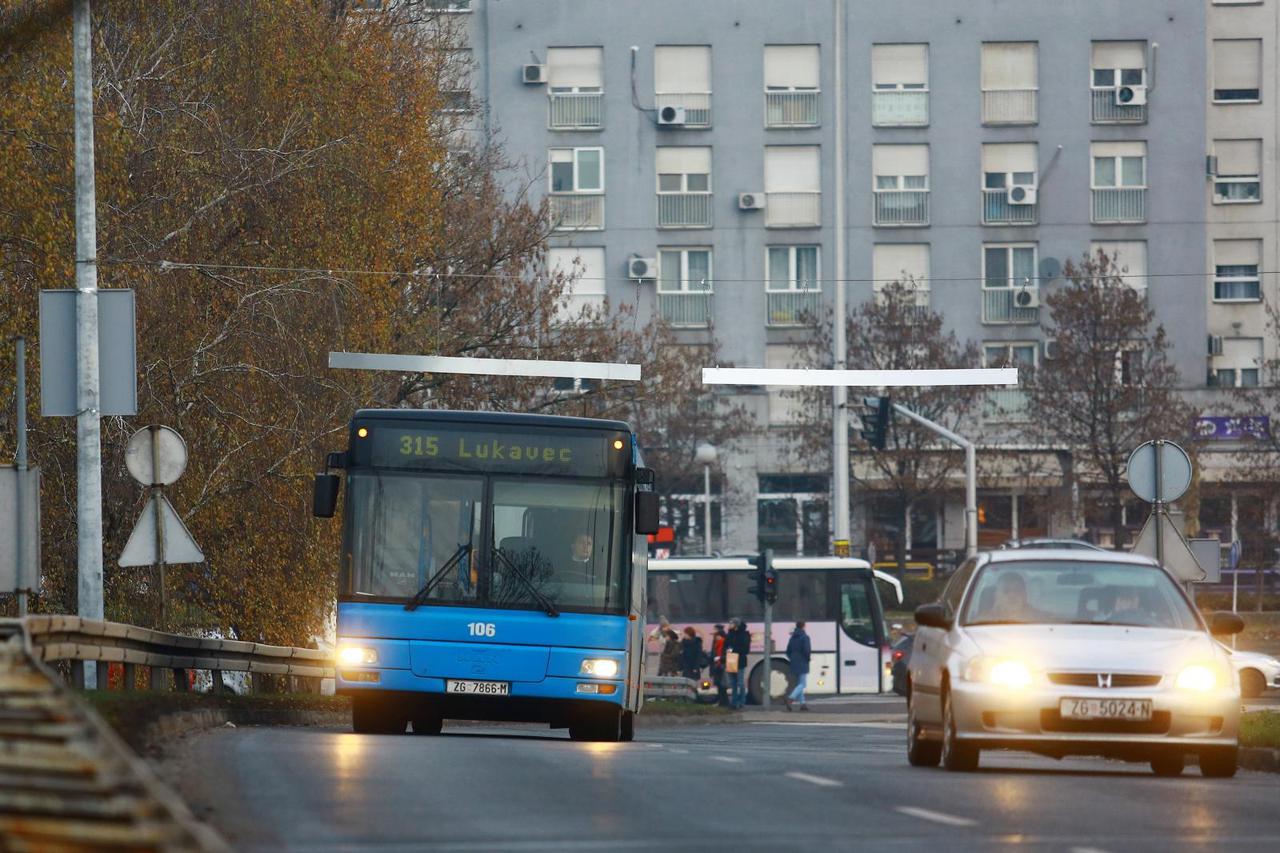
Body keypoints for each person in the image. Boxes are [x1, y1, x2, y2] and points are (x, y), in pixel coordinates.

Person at [784, 621, 812, 711]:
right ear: (803, 626)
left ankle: (803, 704)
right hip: (802, 662)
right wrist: (807, 659)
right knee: (802, 684)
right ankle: (790, 698)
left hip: (794, 662)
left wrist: (792, 658)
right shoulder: (805, 637)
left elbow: (788, 651)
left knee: (799, 684)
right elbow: (807, 650)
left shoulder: (792, 638)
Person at [726, 617, 751, 709]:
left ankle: (742, 702)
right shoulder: (729, 634)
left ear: (736, 625)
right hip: (731, 661)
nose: (729, 625)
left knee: (740, 682)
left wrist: (733, 650)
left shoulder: (744, 635)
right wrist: (728, 650)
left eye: (731, 623)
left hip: (740, 661)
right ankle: (734, 702)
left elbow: (745, 649)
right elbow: (727, 645)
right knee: (733, 683)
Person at [708, 624, 729, 706]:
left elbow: (726, 654)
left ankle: (724, 703)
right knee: (719, 685)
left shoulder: (724, 643)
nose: (715, 637)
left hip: (721, 666)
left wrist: (719, 659)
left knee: (722, 685)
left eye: (716, 636)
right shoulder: (716, 643)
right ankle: (721, 702)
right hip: (717, 666)